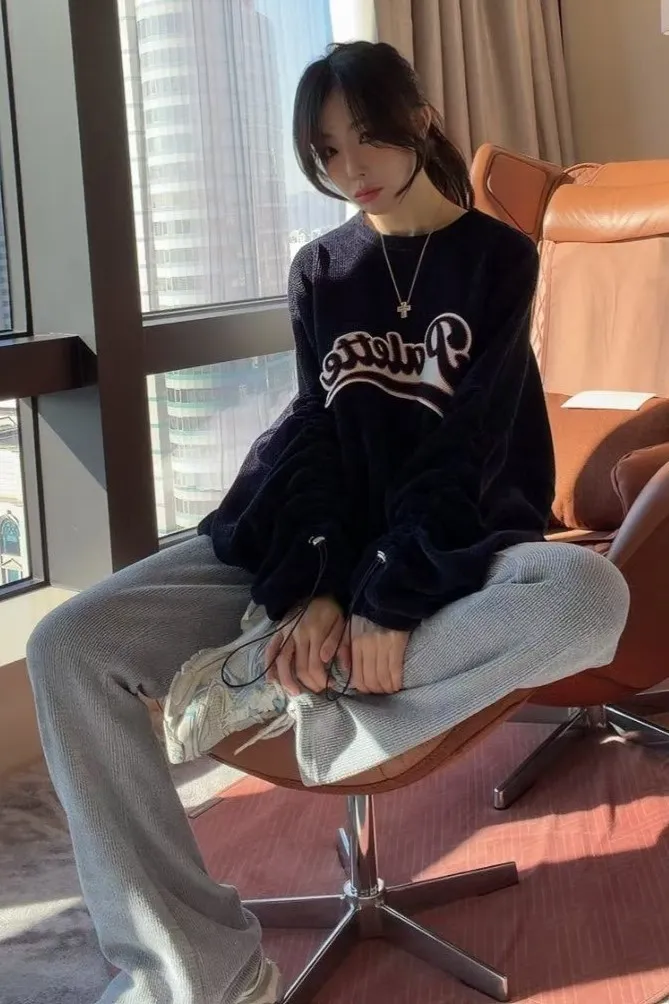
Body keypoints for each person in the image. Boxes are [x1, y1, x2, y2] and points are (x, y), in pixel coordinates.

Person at [26, 41, 630, 1004]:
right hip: (303, 535)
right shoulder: (320, 268)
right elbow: (314, 431)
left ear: (419, 119)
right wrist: (313, 585)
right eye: (326, 151)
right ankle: (201, 972)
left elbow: (463, 444)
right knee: (67, 644)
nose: (352, 168)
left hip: (446, 546)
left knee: (588, 599)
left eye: (368, 137)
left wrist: (383, 596)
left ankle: (282, 685)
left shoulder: (495, 258)